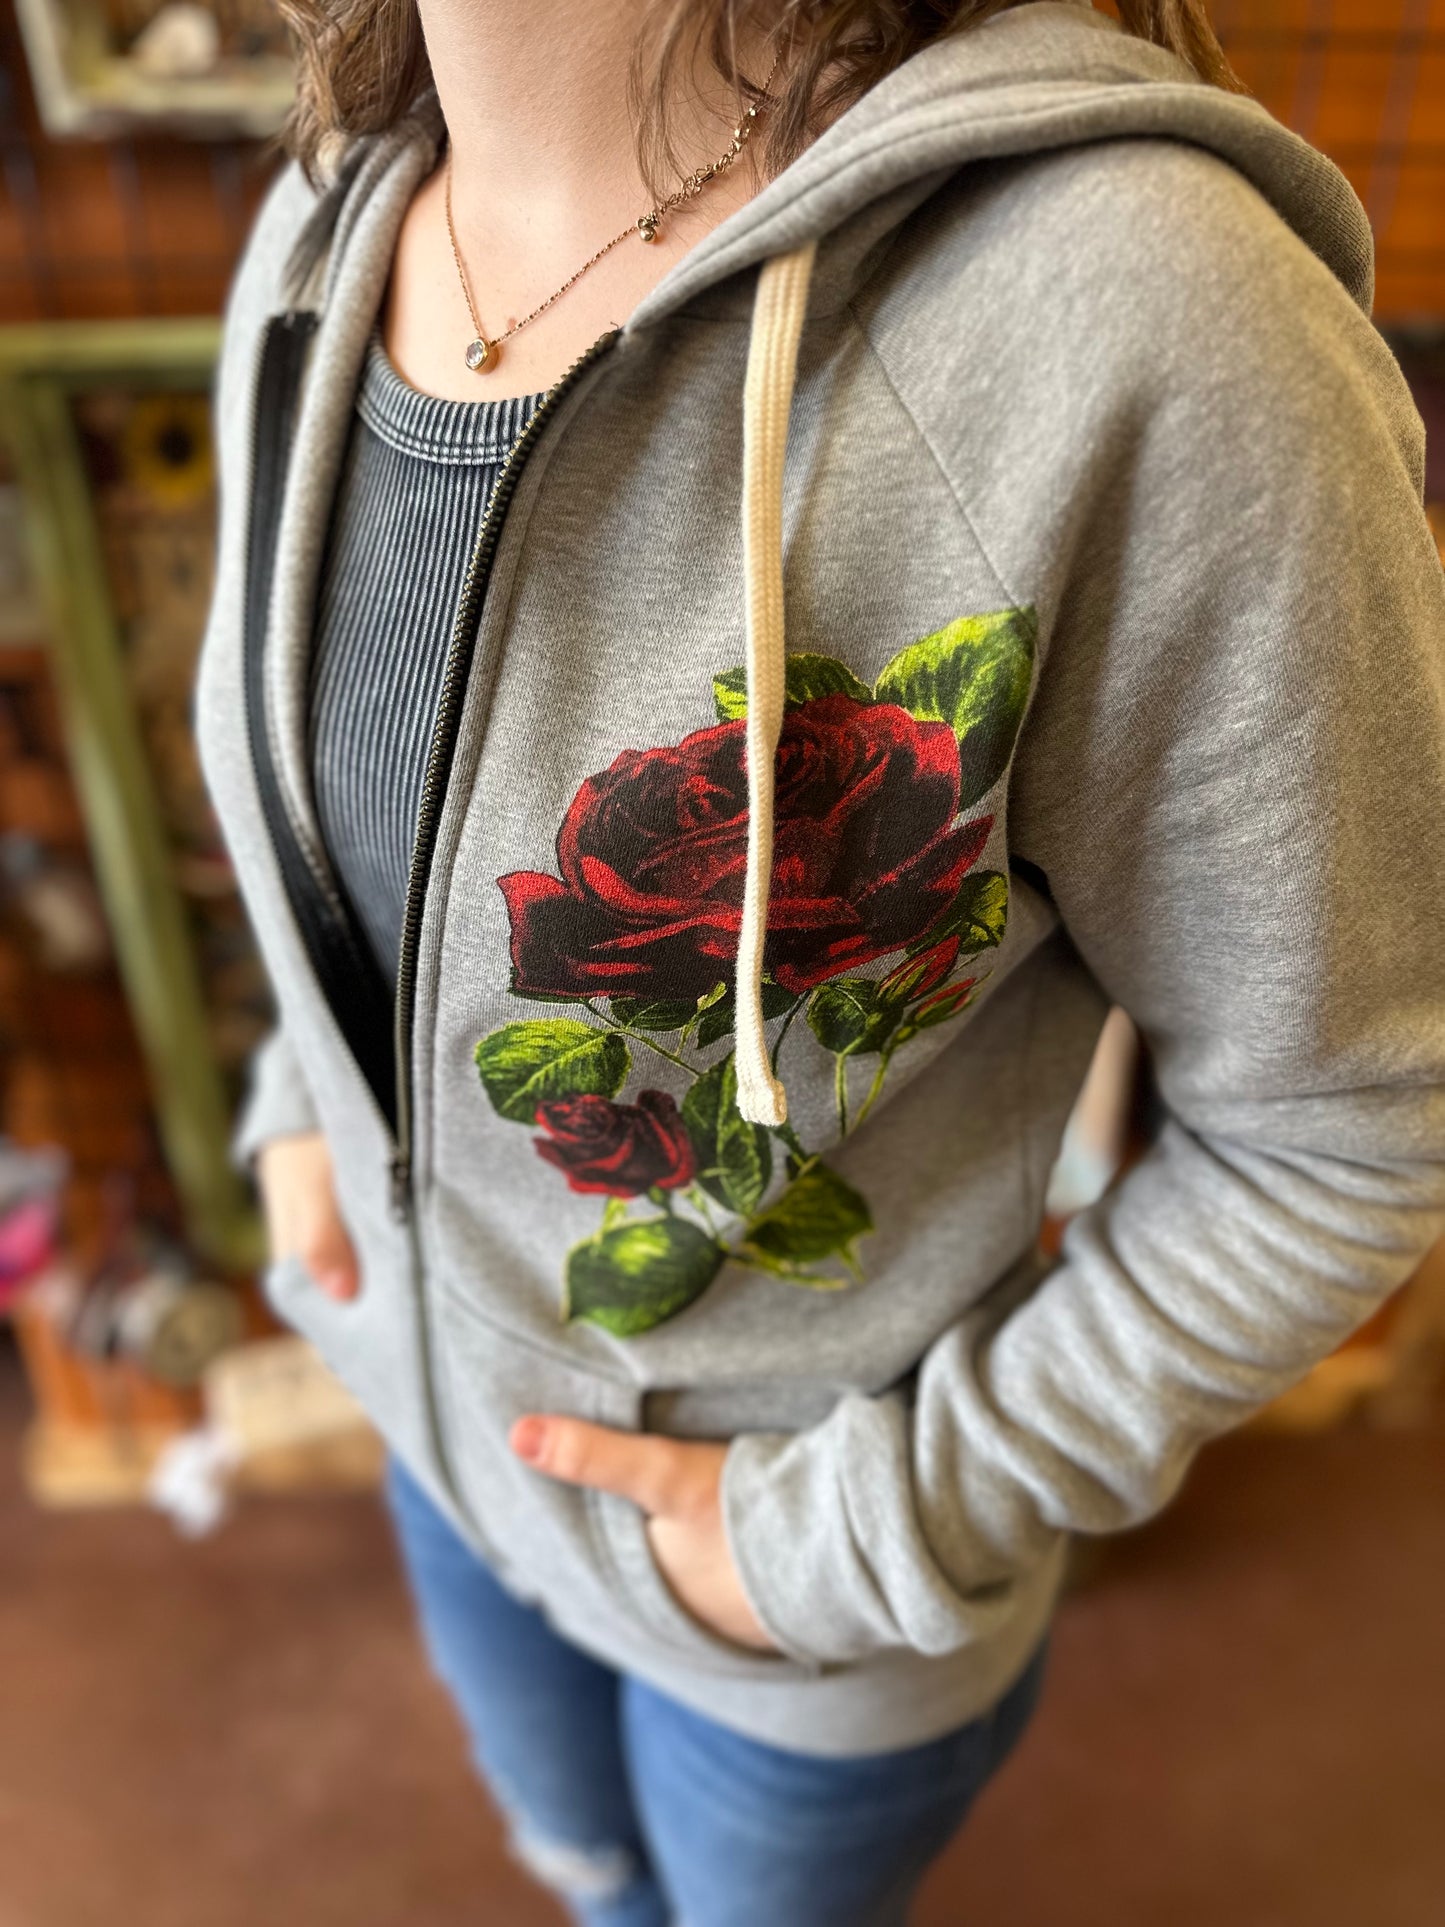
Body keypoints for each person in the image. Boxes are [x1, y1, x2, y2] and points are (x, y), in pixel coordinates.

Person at [193, 1, 1445, 1921]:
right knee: (589, 1881)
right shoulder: (321, 225)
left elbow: (1348, 1125)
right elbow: (349, 815)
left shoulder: (1145, 318)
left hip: (791, 1583)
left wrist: (846, 1539)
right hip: (430, 1436)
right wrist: (305, 1101)